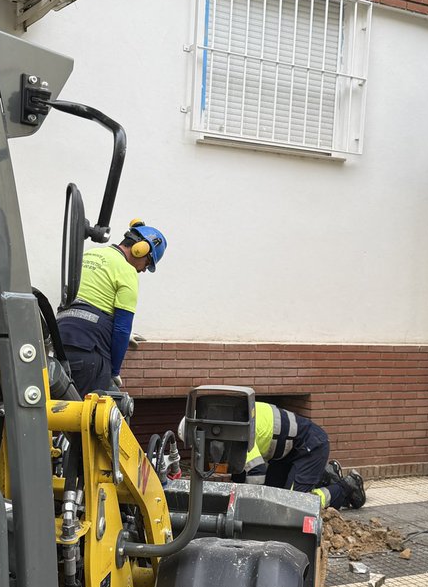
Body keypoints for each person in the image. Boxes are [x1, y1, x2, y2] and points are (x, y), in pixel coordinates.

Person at [180, 402, 366, 511]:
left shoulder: (237, 434)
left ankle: (345, 487)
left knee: (293, 506)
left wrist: (250, 509)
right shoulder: (231, 420)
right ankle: (323, 474)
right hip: (289, 453)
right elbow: (241, 472)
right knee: (275, 498)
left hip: (311, 446)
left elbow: (257, 472)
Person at [57, 219, 166, 396]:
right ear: (141, 250)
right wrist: (114, 371)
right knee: (92, 416)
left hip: (61, 341)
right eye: (147, 263)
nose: (144, 270)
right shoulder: (127, 271)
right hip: (90, 350)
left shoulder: (89, 255)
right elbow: (122, 328)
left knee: (61, 411)